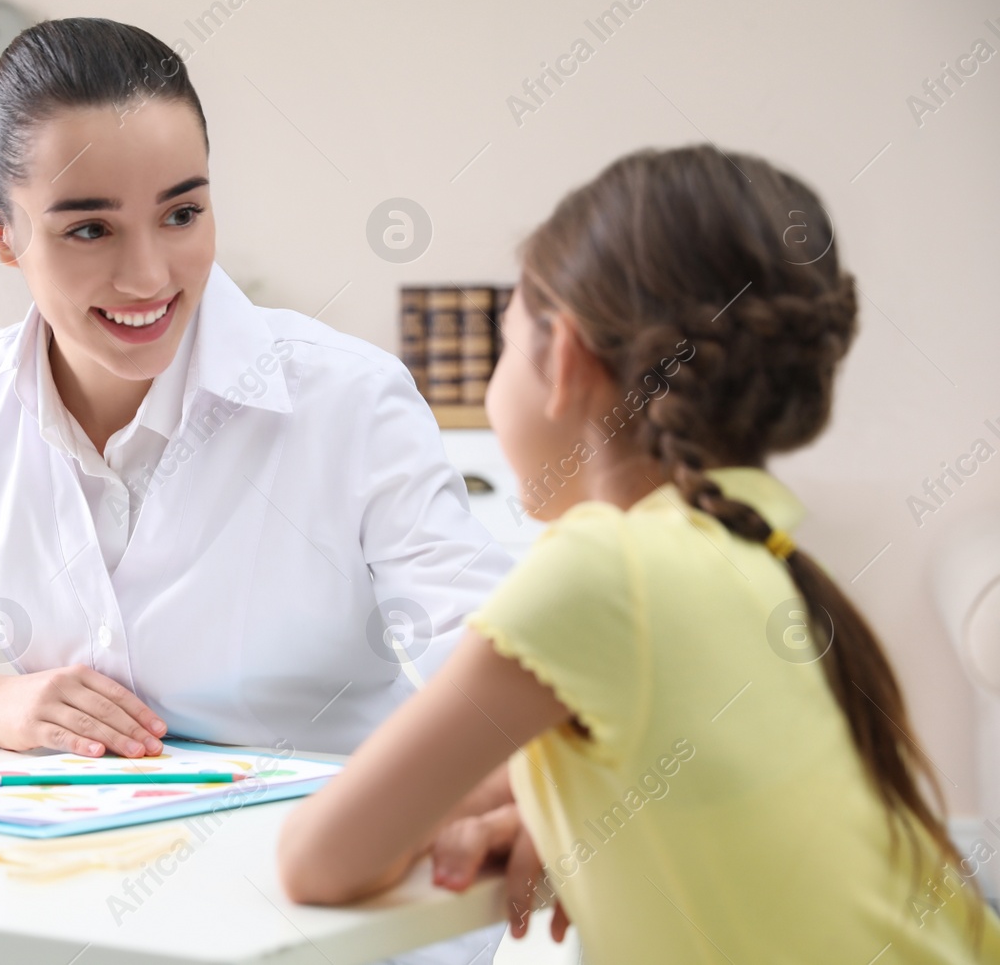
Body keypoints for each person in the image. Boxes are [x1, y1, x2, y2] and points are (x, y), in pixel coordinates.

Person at [0, 15, 512, 773]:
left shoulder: (350, 398)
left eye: (181, 213)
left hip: (323, 869)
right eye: (89, 229)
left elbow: (497, 660)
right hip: (67, 872)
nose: (147, 277)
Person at [278, 145, 1000, 961]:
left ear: (564, 361)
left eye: (504, 340)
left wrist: (503, 805)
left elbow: (319, 860)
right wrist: (556, 806)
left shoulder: (598, 571)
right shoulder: (752, 554)